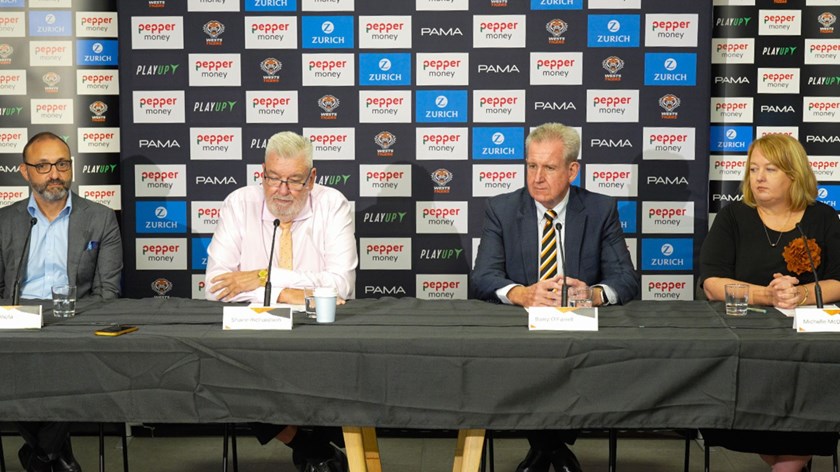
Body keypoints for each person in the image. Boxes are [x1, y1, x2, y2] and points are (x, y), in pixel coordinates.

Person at [470, 123, 640, 472]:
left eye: (548, 167)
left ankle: (544, 451)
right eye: (531, 166)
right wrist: (522, 294)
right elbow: (482, 277)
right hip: (520, 332)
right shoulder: (501, 209)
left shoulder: (599, 210)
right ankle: (553, 451)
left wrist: (592, 294)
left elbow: (626, 280)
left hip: (578, 333)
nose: (537, 177)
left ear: (572, 170)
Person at [205, 131, 357, 472]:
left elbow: (340, 286)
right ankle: (309, 445)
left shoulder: (332, 204)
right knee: (220, 366)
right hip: (254, 332)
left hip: (318, 334)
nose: (282, 191)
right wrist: (293, 292)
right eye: (273, 179)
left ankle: (320, 444)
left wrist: (260, 277)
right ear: (262, 173)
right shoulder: (238, 203)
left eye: (294, 181)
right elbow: (216, 289)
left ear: (312, 178)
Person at [699, 134, 840, 471]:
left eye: (770, 169)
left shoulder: (822, 218)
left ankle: (790, 464)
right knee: (768, 436)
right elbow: (712, 283)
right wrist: (769, 295)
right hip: (746, 340)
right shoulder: (733, 216)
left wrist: (802, 295)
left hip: (807, 343)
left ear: (794, 174)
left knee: (809, 391)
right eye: (753, 169)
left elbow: (839, 280)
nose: (758, 177)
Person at [0, 131, 123, 472]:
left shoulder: (100, 218)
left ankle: (40, 457)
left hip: (75, 319)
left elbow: (107, 292)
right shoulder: (5, 221)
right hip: (18, 321)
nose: (55, 173)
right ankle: (54, 455)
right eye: (43, 166)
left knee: (69, 362)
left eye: (62, 164)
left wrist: (79, 323)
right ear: (24, 172)